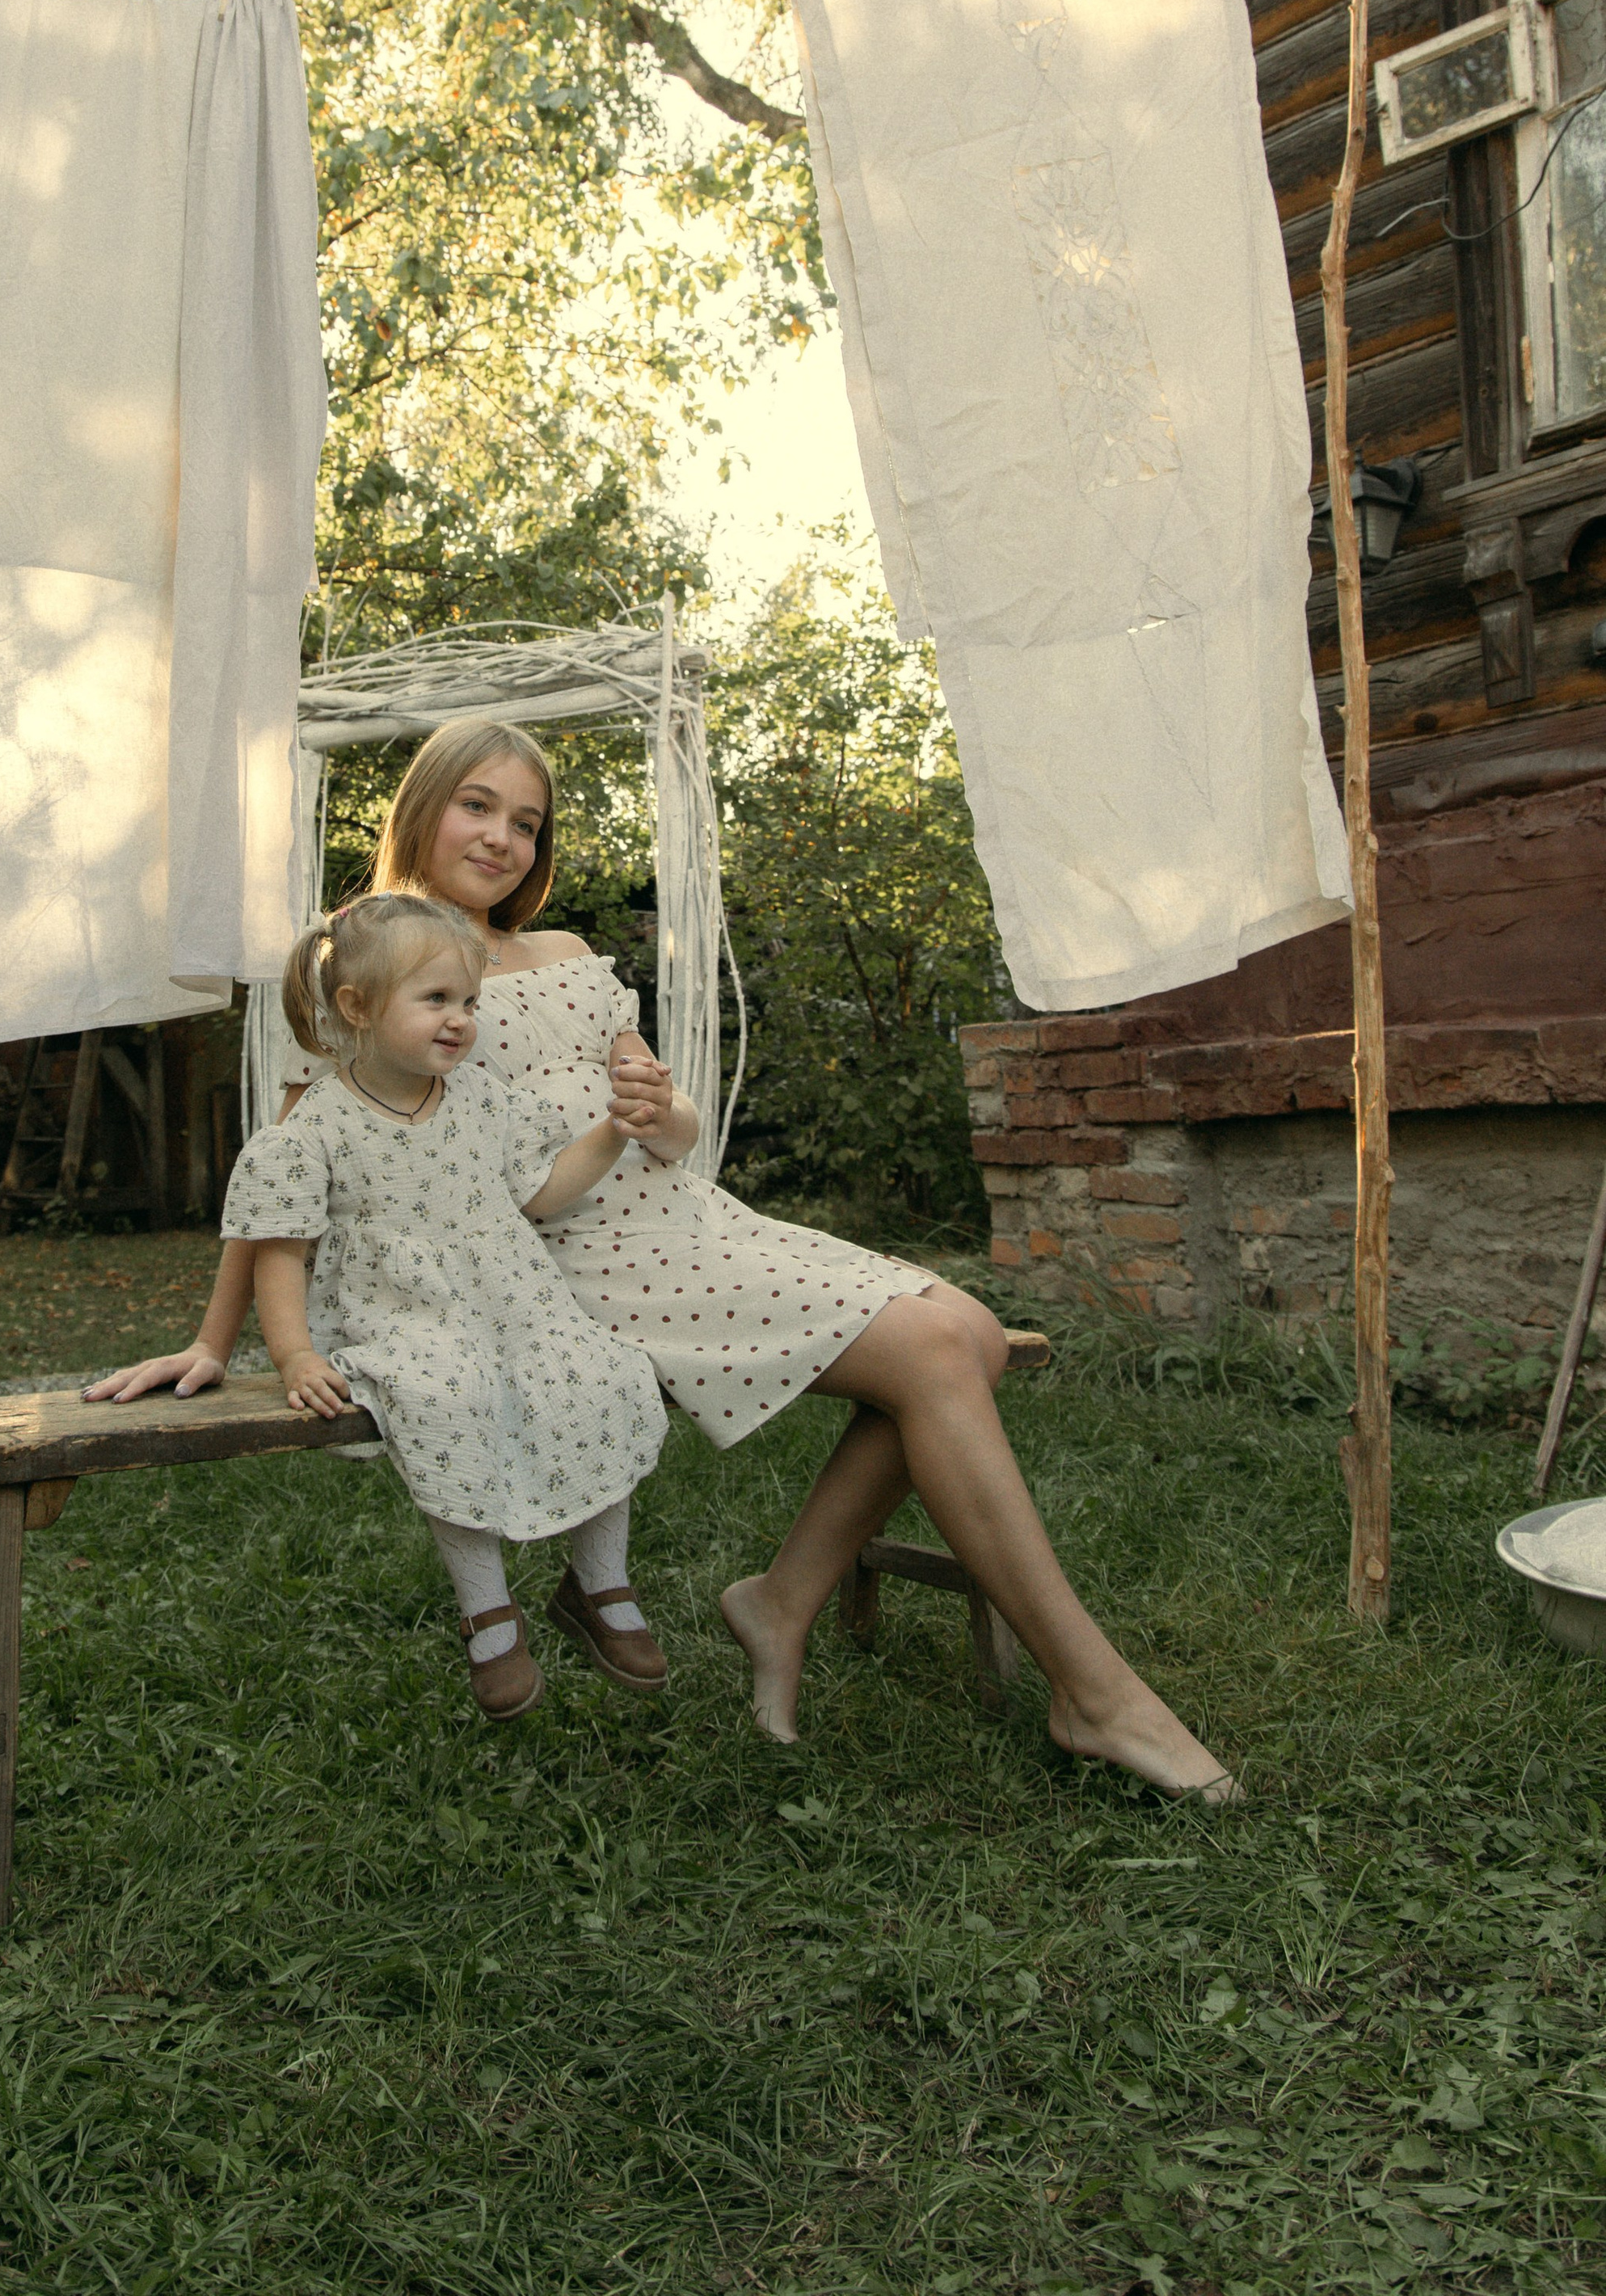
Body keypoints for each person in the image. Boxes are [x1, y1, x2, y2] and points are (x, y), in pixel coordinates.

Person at [91, 715, 1236, 1801]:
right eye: (477, 807)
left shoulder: (569, 951)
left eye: (527, 822)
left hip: (683, 1221)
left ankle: (782, 1603)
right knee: (943, 1344)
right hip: (559, 1271)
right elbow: (288, 1172)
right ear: (425, 807)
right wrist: (210, 1337)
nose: (501, 837)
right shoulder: (371, 954)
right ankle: (1094, 1693)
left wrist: (655, 1107)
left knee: (969, 1335)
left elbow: (672, 1130)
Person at [212, 890, 670, 1721]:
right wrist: (295, 1356)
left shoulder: (482, 1101)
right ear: (357, 1006)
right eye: (436, 1001)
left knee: (600, 1369)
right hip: (400, 1317)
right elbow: (278, 1254)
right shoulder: (318, 1125)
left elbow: (540, 1191)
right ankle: (487, 1611)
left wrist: (611, 1133)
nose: (460, 1020)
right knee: (443, 1397)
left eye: (468, 1001)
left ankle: (600, 1582)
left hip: (513, 1302)